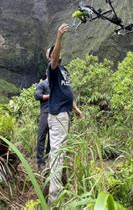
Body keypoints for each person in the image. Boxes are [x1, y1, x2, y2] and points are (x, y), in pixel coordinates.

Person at [47, 23, 82, 204]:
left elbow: (67, 92)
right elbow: (54, 58)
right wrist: (59, 37)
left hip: (66, 115)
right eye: (53, 53)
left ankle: (61, 186)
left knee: (62, 152)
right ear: (51, 57)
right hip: (58, 115)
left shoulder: (64, 71)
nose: (56, 55)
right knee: (58, 153)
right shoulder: (52, 71)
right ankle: (54, 198)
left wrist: (76, 110)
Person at [34, 77, 50, 172]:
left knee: (52, 139)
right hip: (45, 113)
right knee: (41, 137)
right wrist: (50, 96)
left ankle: (48, 160)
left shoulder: (56, 84)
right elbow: (37, 95)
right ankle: (40, 162)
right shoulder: (43, 84)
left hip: (55, 114)